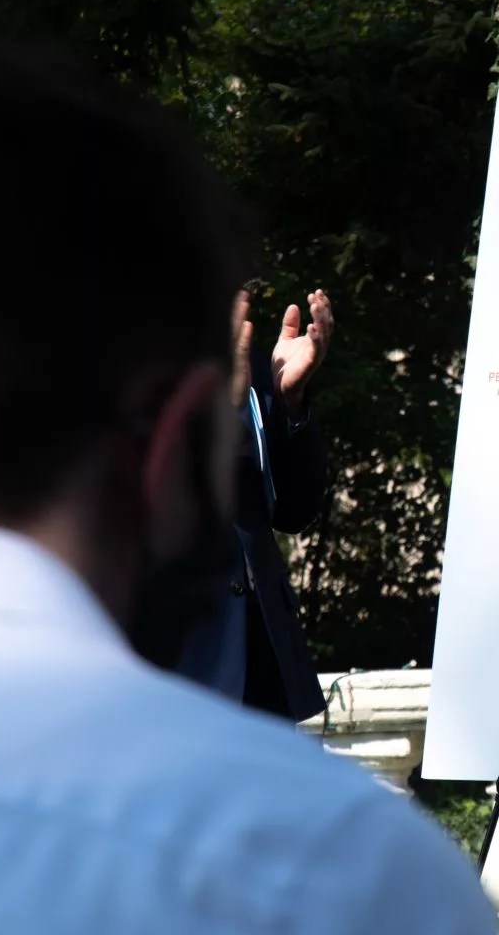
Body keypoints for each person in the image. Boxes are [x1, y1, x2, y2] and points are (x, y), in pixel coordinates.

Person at [0, 36, 494, 933]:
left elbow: (294, 507)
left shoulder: (258, 381)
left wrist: (282, 405)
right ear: (172, 432)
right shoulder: (327, 867)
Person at [173, 286, 333, 722]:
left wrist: (291, 403)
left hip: (263, 659)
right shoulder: (131, 380)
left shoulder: (257, 365)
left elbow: (294, 512)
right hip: (182, 661)